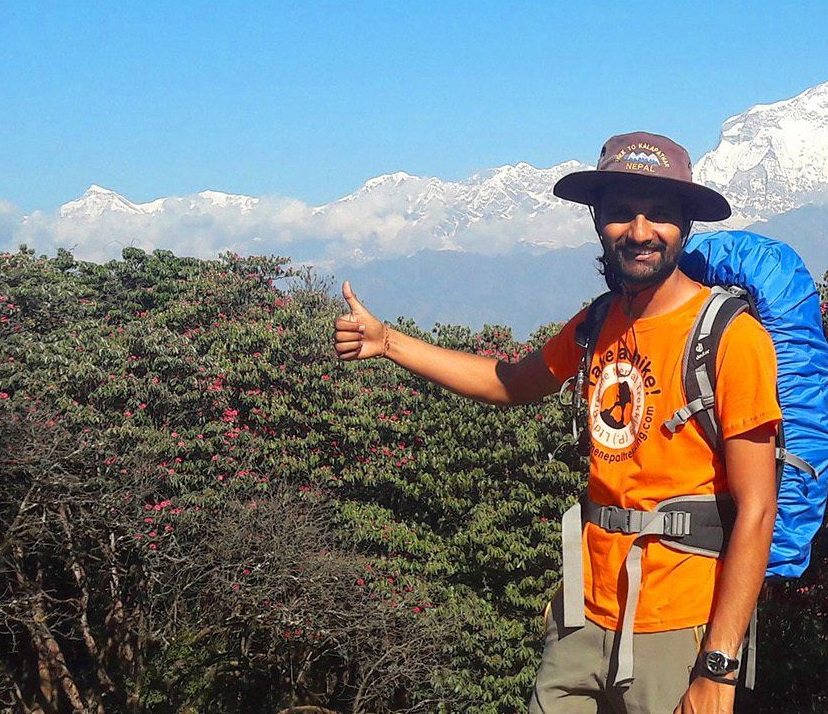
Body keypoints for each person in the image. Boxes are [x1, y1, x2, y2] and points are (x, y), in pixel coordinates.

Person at [334, 131, 781, 714]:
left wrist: (718, 667)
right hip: (583, 612)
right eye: (621, 213)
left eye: (661, 215)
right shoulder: (598, 323)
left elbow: (759, 508)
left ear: (685, 227)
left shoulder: (732, 339)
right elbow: (510, 381)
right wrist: (388, 342)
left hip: (679, 623)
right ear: (599, 222)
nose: (640, 231)